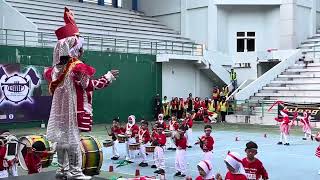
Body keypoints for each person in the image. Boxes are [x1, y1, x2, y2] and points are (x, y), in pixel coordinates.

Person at [43, 7, 119, 180]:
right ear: (73, 47)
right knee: (73, 140)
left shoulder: (55, 70)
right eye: (79, 46)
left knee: (62, 141)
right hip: (74, 110)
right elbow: (89, 85)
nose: (81, 50)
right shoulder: (77, 67)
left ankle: (62, 170)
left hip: (59, 112)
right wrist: (107, 78)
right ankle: (76, 172)